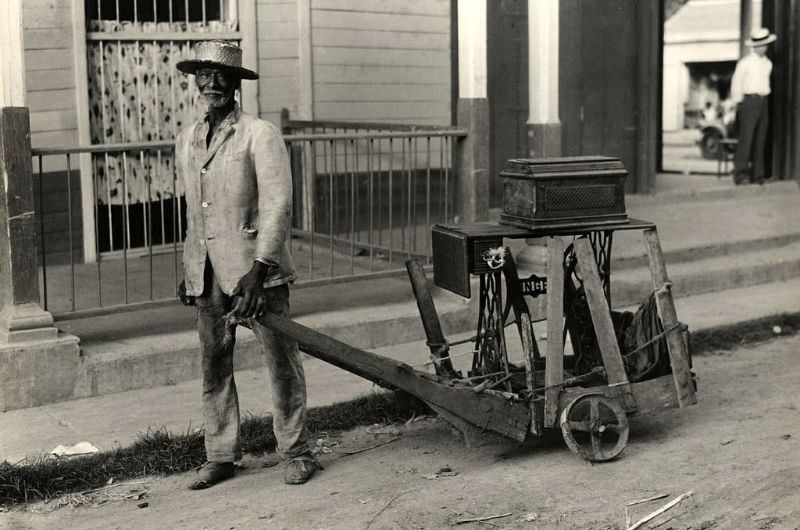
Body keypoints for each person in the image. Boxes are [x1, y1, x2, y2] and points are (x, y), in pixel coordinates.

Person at [175, 41, 320, 489]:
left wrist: (260, 269)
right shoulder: (188, 137)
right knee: (214, 364)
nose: (212, 82)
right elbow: (194, 210)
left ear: (237, 84)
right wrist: (188, 266)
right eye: (205, 74)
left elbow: (278, 204)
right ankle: (220, 455)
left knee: (281, 362)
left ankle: (297, 452)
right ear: (196, 81)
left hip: (255, 273)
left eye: (223, 76)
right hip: (208, 274)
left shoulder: (260, 133)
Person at [730, 28, 776, 185]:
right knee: (746, 138)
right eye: (761, 45)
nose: (764, 48)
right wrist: (739, 104)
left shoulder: (768, 63)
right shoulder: (745, 63)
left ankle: (758, 174)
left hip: (763, 101)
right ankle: (740, 174)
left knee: (760, 138)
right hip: (749, 101)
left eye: (766, 44)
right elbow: (736, 83)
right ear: (754, 46)